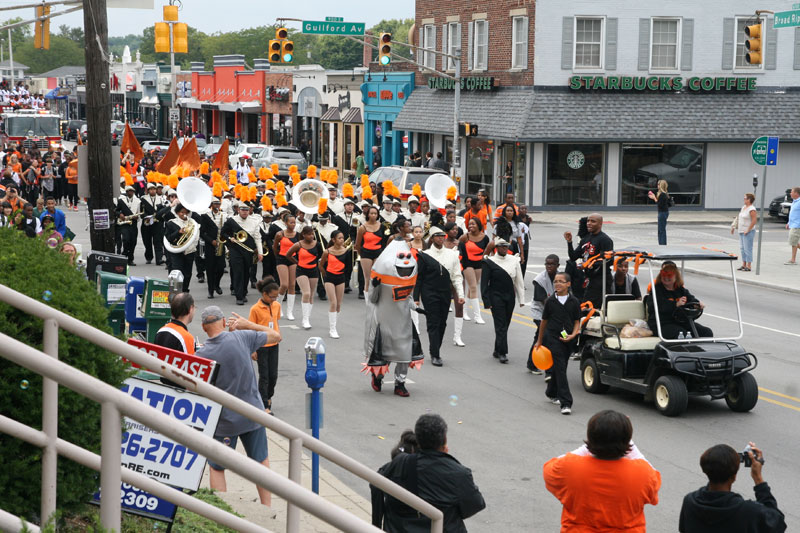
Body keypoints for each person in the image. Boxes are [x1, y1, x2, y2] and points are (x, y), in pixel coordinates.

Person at [196, 306, 281, 507]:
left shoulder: (202, 355)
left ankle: (220, 513)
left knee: (217, 468)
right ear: (224, 322)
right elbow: (275, 336)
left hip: (224, 422)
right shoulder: (242, 338)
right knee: (260, 462)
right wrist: (248, 324)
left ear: (203, 327)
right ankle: (267, 508)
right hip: (253, 414)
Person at [543, 410, 661, 532]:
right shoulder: (643, 473)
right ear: (627, 439)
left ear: (590, 436)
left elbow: (549, 469)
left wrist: (590, 446)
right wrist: (627, 441)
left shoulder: (568, 467)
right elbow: (654, 481)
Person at [371, 414, 485, 531]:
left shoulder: (400, 462)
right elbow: (474, 505)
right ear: (444, 439)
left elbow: (375, 482)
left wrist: (377, 525)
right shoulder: (458, 473)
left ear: (418, 440)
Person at [679, 443, 786, 533]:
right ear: (734, 477)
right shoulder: (749, 511)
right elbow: (778, 524)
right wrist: (758, 478)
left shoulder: (689, 501)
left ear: (705, 470)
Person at [364, 238, 422, 397]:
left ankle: (400, 383)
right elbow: (374, 299)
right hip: (385, 322)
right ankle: (378, 376)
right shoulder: (381, 280)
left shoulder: (409, 280)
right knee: (384, 354)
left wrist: (417, 308)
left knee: (404, 355)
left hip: (403, 322)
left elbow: (408, 298)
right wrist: (375, 287)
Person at [413, 227, 464, 367]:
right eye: (437, 236)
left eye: (443, 236)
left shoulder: (452, 254)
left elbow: (457, 275)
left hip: (445, 292)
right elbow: (419, 278)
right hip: (429, 293)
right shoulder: (424, 255)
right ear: (432, 238)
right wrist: (416, 297)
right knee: (433, 321)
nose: (441, 238)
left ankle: (436, 348)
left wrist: (460, 294)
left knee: (442, 322)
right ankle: (435, 353)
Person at [534, 273, 581, 415]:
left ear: (568, 284)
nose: (557, 284)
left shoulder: (574, 301)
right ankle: (566, 403)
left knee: (560, 367)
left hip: (568, 339)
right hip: (553, 338)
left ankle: (551, 391)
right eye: (555, 282)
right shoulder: (550, 301)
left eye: (561, 281)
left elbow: (577, 321)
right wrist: (540, 340)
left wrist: (573, 335)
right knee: (560, 367)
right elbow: (544, 322)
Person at [481, 238, 525, 364]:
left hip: (509, 296)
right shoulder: (489, 262)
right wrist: (487, 301)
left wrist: (521, 299)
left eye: (506, 246)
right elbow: (484, 284)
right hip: (495, 296)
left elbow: (519, 281)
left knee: (505, 324)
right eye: (501, 246)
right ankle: (503, 352)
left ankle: (497, 348)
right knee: (500, 324)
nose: (504, 248)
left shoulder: (514, 260)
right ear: (496, 248)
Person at [646, 261, 713, 339]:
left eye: (669, 275)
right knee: (683, 335)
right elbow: (657, 306)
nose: (666, 277)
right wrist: (675, 304)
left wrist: (697, 304)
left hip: (681, 322)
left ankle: (701, 350)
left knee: (706, 332)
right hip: (662, 323)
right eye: (663, 275)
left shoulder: (680, 290)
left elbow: (690, 299)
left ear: (676, 276)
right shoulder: (656, 290)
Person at [564, 213, 614, 309]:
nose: (589, 223)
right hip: (589, 278)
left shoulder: (605, 240)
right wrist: (569, 242)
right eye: (588, 221)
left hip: (601, 279)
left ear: (600, 224)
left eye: (593, 221)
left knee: (591, 307)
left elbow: (609, 260)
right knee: (587, 307)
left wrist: (587, 265)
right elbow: (573, 256)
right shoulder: (585, 239)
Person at [249, 277, 282, 414]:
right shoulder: (255, 309)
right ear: (264, 294)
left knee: (273, 375)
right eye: (272, 297)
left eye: (276, 297)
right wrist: (252, 349)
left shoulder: (277, 306)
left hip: (274, 344)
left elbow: (276, 321)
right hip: (261, 345)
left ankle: (268, 397)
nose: (274, 299)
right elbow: (251, 329)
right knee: (264, 375)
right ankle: (263, 404)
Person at [221, 203, 263, 306]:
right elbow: (223, 233)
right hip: (235, 250)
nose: (244, 212)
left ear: (249, 211)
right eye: (242, 210)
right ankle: (239, 296)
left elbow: (257, 237)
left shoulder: (254, 221)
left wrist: (260, 252)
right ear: (238, 210)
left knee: (246, 272)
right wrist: (230, 238)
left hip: (248, 250)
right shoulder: (232, 220)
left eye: (246, 210)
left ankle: (243, 292)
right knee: (238, 272)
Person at [528, 254, 560, 375]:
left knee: (538, 338)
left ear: (558, 265)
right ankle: (549, 370)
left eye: (552, 264)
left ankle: (531, 364)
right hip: (540, 312)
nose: (549, 266)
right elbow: (544, 301)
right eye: (547, 264)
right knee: (546, 336)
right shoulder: (539, 279)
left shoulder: (561, 276)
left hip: (554, 312)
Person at [286, 225, 321, 329]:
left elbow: (320, 256)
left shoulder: (317, 244)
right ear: (304, 235)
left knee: (311, 295)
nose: (311, 236)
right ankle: (305, 320)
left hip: (313, 270)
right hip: (301, 270)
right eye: (309, 234)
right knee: (306, 293)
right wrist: (297, 262)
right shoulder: (298, 245)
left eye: (312, 234)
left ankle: (308, 317)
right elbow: (288, 255)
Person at [459, 218, 490, 326]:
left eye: (473, 224)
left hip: (479, 264)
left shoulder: (485, 237)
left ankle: (464, 311)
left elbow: (487, 251)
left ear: (478, 225)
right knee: (473, 287)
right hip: (467, 264)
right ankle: (478, 316)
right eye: (469, 224)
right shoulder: (465, 236)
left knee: (473, 287)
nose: (471, 225)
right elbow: (457, 246)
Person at [164, 203, 197, 292]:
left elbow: (195, 236)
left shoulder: (192, 223)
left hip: (189, 251)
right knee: (176, 271)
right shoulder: (171, 223)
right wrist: (178, 232)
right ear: (177, 213)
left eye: (186, 212)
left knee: (187, 273)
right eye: (181, 212)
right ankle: (174, 291)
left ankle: (185, 290)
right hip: (176, 251)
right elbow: (169, 238)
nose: (183, 214)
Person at [320, 230, 347, 338]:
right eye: (339, 238)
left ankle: (334, 325)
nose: (342, 240)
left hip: (340, 278)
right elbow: (321, 265)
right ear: (333, 240)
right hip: (329, 278)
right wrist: (325, 276)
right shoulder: (327, 252)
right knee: (333, 302)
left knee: (339, 304)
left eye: (342, 238)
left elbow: (347, 266)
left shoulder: (345, 250)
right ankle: (332, 329)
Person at [356, 205, 385, 301]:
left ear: (378, 215)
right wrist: (362, 254)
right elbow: (357, 244)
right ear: (368, 214)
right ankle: (368, 302)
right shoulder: (362, 227)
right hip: (366, 254)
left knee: (377, 277)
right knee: (367, 278)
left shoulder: (382, 226)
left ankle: (376, 298)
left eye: (375, 213)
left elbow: (384, 241)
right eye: (371, 213)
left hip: (378, 253)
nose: (373, 215)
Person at [273, 213, 299, 318]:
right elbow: (274, 247)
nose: (293, 224)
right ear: (285, 223)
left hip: (292, 259)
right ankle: (277, 307)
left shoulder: (297, 235)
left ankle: (289, 311)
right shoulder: (280, 234)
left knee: (292, 285)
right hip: (282, 259)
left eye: (294, 222)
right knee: (284, 284)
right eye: (291, 222)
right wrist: (278, 257)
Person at [200, 198, 226, 299]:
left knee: (220, 268)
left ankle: (216, 284)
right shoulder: (205, 216)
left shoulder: (223, 215)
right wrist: (211, 241)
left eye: (218, 204)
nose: (217, 205)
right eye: (215, 203)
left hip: (221, 244)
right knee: (210, 269)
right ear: (211, 204)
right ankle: (210, 290)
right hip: (210, 245)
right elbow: (202, 232)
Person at [140, 183, 166, 265]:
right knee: (147, 241)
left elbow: (163, 211)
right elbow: (141, 212)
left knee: (158, 241)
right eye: (151, 189)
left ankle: (159, 259)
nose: (153, 190)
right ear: (148, 190)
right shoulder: (143, 199)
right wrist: (145, 217)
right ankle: (149, 257)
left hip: (157, 224)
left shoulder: (161, 199)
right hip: (147, 223)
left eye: (154, 189)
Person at [731, 193, 757, 272]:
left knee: (747, 248)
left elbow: (754, 220)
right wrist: (733, 227)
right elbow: (739, 217)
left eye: (745, 198)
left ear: (749, 200)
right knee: (742, 248)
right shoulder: (744, 207)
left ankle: (749, 266)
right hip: (741, 230)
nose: (744, 199)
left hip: (748, 231)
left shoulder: (752, 209)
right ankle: (744, 264)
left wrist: (748, 229)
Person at [116, 185, 140, 266]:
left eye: (131, 191)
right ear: (126, 192)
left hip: (133, 223)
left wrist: (137, 217)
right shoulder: (121, 200)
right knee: (126, 240)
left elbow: (140, 212)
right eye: (128, 191)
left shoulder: (138, 201)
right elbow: (116, 210)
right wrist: (120, 214)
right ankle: (124, 256)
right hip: (125, 224)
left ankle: (130, 259)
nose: (130, 192)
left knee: (133, 241)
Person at [648, 180, 671, 245]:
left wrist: (654, 198)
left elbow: (659, 204)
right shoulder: (665, 194)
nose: (657, 186)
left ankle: (662, 244)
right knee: (661, 229)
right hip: (664, 212)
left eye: (658, 184)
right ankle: (661, 243)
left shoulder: (662, 195)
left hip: (662, 213)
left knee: (661, 230)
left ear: (660, 186)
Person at [783, 186, 800, 265]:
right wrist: (789, 223)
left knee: (793, 242)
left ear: (796, 193)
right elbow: (793, 214)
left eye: (792, 192)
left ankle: (793, 260)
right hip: (793, 224)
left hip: (797, 225)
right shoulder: (794, 201)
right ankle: (793, 259)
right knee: (795, 242)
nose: (790, 193)